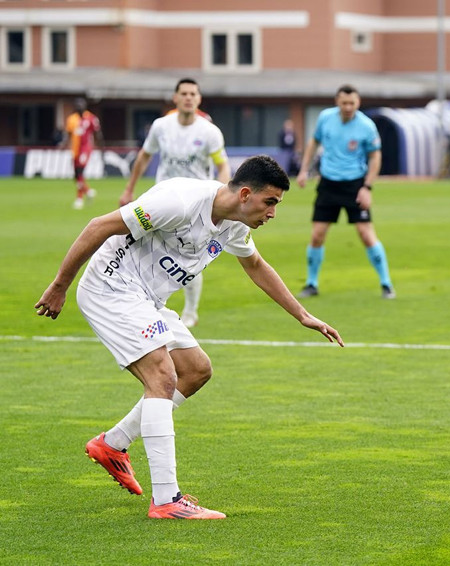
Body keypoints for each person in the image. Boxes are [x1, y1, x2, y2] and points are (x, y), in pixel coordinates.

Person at [35, 155, 344, 519]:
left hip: (146, 298)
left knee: (196, 370)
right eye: (270, 202)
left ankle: (113, 444)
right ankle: (166, 500)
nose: (273, 213)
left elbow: (256, 266)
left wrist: (303, 315)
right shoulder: (179, 202)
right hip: (111, 287)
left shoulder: (234, 224)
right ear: (245, 194)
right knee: (162, 376)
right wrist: (59, 286)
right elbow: (98, 225)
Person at [119, 78, 231, 329]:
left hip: (196, 205)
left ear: (199, 99)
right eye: (184, 93)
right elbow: (144, 156)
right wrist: (129, 188)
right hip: (161, 199)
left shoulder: (209, 131)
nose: (189, 97)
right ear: (176, 98)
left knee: (190, 256)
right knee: (142, 247)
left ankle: (190, 311)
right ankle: (143, 301)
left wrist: (221, 194)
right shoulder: (161, 126)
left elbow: (223, 165)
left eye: (193, 93)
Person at [295, 84, 394, 299]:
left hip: (354, 184)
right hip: (328, 183)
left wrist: (367, 187)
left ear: (358, 103)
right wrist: (304, 170)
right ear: (337, 102)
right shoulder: (325, 118)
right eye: (344, 103)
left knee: (366, 234)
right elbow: (314, 142)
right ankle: (312, 283)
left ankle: (386, 284)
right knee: (317, 235)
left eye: (352, 103)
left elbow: (375, 157)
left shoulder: (367, 126)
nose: (348, 107)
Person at [62, 98, 103, 210]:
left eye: (81, 105)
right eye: (77, 105)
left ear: (85, 106)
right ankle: (88, 191)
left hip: (85, 149)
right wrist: (63, 144)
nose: (79, 107)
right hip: (75, 150)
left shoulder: (91, 118)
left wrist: (101, 147)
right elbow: (68, 134)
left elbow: (97, 133)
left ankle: (79, 199)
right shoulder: (71, 119)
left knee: (80, 172)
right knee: (76, 176)